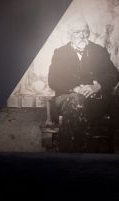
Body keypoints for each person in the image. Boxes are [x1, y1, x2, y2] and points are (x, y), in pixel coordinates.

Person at [48, 18, 119, 151]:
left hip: (93, 101)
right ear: (69, 34)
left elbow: (114, 75)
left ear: (88, 33)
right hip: (65, 99)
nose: (81, 36)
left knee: (82, 104)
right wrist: (74, 88)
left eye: (85, 32)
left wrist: (97, 86)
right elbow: (53, 79)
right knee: (75, 100)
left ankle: (73, 155)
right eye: (77, 32)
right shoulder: (60, 52)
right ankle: (75, 155)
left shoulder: (99, 51)